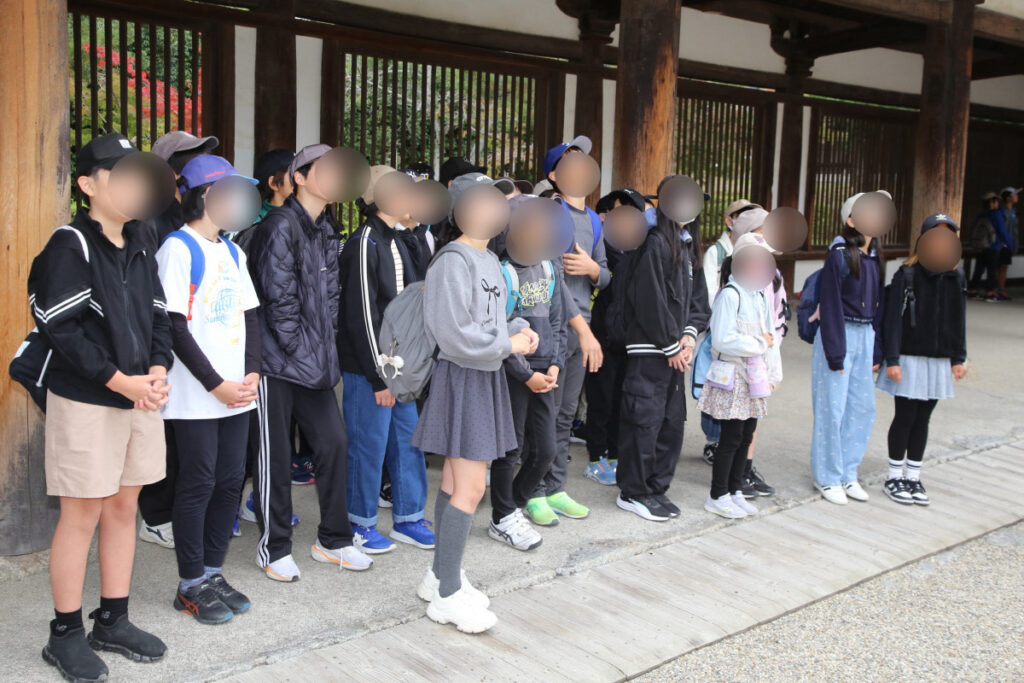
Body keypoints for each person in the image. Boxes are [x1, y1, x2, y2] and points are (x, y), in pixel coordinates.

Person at [30, 133, 172, 680]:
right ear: (89, 184)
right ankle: (64, 633)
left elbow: (160, 317)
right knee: (81, 514)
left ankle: (113, 619)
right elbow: (60, 328)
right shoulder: (70, 245)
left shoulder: (141, 241)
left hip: (139, 398)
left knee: (123, 507)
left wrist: (157, 370)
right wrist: (121, 382)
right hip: (89, 399)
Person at [412, 174, 538, 633]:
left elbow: (492, 319)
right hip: (463, 377)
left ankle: (440, 576)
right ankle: (447, 595)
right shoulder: (452, 260)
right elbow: (454, 336)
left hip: (483, 376)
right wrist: (509, 344)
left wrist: (519, 329)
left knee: (453, 484)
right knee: (470, 489)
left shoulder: (487, 258)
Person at [248, 143, 373, 581]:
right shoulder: (279, 226)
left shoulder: (326, 228)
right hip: (276, 362)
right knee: (275, 456)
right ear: (298, 177)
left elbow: (333, 298)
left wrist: (323, 349)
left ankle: (334, 540)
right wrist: (303, 350)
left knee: (334, 444)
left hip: (313, 360)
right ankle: (274, 547)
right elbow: (277, 300)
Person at [156, 155, 261, 624]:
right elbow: (173, 326)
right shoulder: (178, 248)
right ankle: (189, 583)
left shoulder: (233, 252)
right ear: (204, 196)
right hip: (197, 394)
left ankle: (213, 573)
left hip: (238, 392)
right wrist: (215, 384)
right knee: (197, 482)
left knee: (229, 480)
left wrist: (252, 372)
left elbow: (251, 316)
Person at [338, 165, 434, 555]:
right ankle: (358, 523)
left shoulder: (401, 236)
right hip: (372, 369)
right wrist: (378, 376)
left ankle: (409, 517)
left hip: (402, 366)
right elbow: (360, 315)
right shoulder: (364, 242)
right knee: (368, 445)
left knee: (409, 441)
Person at [137, 129, 219, 550]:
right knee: (162, 433)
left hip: (198, 338)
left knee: (187, 437)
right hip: (161, 339)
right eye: (191, 158)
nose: (199, 164)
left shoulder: (201, 215)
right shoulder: (150, 217)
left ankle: (183, 509)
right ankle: (155, 516)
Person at [615, 177, 710, 522]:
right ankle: (634, 491)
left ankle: (656, 487)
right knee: (644, 421)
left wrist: (689, 337)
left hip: (676, 351)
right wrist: (670, 345)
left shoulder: (689, 244)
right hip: (650, 350)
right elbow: (648, 299)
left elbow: (699, 299)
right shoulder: (653, 241)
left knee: (671, 423)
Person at [524, 135, 608, 526]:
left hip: (582, 327)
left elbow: (606, 275)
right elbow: (550, 281)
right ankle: (533, 491)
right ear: (554, 175)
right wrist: (583, 331)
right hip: (552, 327)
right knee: (543, 413)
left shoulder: (593, 219)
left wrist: (593, 270)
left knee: (565, 414)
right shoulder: (546, 213)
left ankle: (556, 487)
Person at [489, 195, 568, 550]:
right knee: (511, 449)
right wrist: (526, 375)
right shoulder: (502, 271)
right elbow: (499, 332)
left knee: (546, 451)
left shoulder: (550, 267)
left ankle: (513, 505)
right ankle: (502, 515)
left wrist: (555, 364)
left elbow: (558, 322)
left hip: (546, 373)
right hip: (515, 374)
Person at [878, 214, 968, 506]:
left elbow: (959, 319)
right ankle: (894, 476)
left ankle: (913, 476)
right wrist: (892, 359)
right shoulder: (906, 274)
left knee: (923, 419)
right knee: (905, 416)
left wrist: (959, 357)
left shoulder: (956, 277)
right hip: (908, 357)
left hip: (939, 359)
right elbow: (892, 320)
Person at [697, 232, 782, 518]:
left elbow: (771, 338)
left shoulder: (759, 295)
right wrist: (759, 344)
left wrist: (774, 374)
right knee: (731, 437)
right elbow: (722, 339)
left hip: (754, 378)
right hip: (733, 376)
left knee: (746, 435)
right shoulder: (730, 295)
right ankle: (717, 495)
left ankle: (735, 490)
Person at [810, 193, 885, 505]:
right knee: (832, 408)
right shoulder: (840, 254)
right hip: (839, 334)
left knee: (862, 407)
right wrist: (835, 352)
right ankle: (827, 476)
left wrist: (877, 351)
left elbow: (878, 307)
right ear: (851, 220)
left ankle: (847, 472)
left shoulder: (875, 256)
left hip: (865, 335)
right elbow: (830, 304)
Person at [583, 189, 646, 486]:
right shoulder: (597, 250)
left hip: (629, 339)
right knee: (601, 398)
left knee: (622, 399)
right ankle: (596, 457)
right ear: (604, 217)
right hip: (600, 337)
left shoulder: (641, 250)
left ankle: (616, 453)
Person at [700, 198, 762, 466]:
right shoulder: (716, 252)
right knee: (718, 383)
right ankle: (713, 440)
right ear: (729, 220)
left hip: (749, 339)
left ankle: (728, 447)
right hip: (723, 330)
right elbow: (709, 291)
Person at [966, 192, 999, 299]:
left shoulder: (980, 215)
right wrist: (1010, 244)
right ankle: (990, 292)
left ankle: (973, 290)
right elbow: (1001, 230)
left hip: (980, 246)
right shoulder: (996, 215)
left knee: (978, 269)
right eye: (996, 201)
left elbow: (972, 229)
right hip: (992, 246)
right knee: (991, 270)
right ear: (992, 202)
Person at [995, 186, 1019, 300]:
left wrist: (1015, 245)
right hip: (1001, 244)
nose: (1017, 197)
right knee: (999, 267)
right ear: (1008, 198)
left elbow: (1015, 231)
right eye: (1014, 195)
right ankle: (997, 289)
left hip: (1009, 244)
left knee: (1004, 267)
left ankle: (1001, 289)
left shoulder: (1013, 211)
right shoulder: (1001, 211)